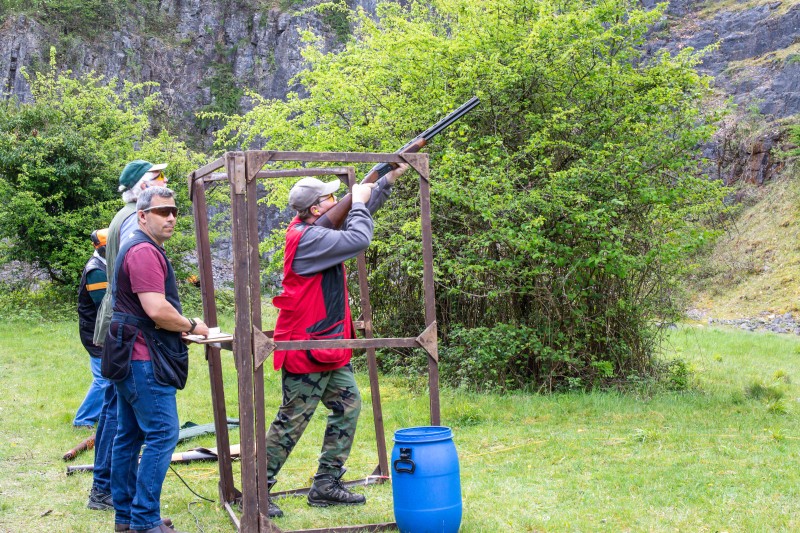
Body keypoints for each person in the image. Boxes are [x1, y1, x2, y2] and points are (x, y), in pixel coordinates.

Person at [266, 163, 409, 517]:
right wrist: (358, 201)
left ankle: (326, 485)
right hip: (306, 346)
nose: (338, 200)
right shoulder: (307, 237)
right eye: (332, 197)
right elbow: (359, 236)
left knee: (348, 407)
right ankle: (257, 488)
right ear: (316, 208)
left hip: (327, 345)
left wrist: (386, 180)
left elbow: (354, 217)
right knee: (292, 421)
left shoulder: (317, 230)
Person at [105, 186, 209, 533]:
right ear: (143, 216)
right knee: (163, 433)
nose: (171, 217)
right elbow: (157, 309)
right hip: (141, 357)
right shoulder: (144, 251)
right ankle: (144, 520)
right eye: (163, 212)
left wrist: (176, 325)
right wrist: (192, 325)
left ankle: (127, 517)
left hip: (130, 352)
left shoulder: (139, 245)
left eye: (174, 211)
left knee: (130, 435)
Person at [87, 160, 168, 512]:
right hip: (127, 329)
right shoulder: (129, 219)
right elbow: (134, 288)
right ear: (138, 189)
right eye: (154, 179)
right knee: (117, 415)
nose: (162, 182)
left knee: (120, 415)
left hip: (122, 325)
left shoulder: (129, 216)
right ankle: (105, 489)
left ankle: (110, 492)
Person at [73, 228, 110, 428]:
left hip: (99, 330)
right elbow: (105, 305)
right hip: (96, 333)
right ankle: (83, 419)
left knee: (109, 377)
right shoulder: (96, 271)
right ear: (102, 248)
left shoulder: (104, 265)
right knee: (103, 379)